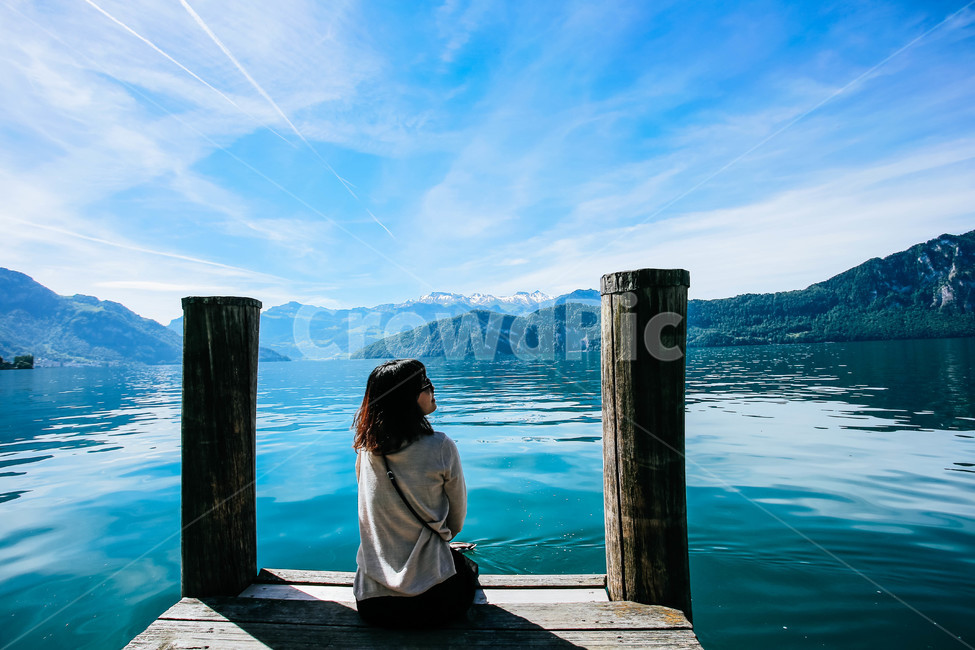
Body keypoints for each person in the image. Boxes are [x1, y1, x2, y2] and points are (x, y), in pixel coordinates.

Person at [352, 359, 477, 628]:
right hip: (434, 602)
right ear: (407, 397)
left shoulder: (365, 449)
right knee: (469, 570)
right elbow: (457, 519)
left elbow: (370, 511)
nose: (434, 389)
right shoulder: (441, 446)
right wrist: (442, 539)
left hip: (373, 605)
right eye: (426, 385)